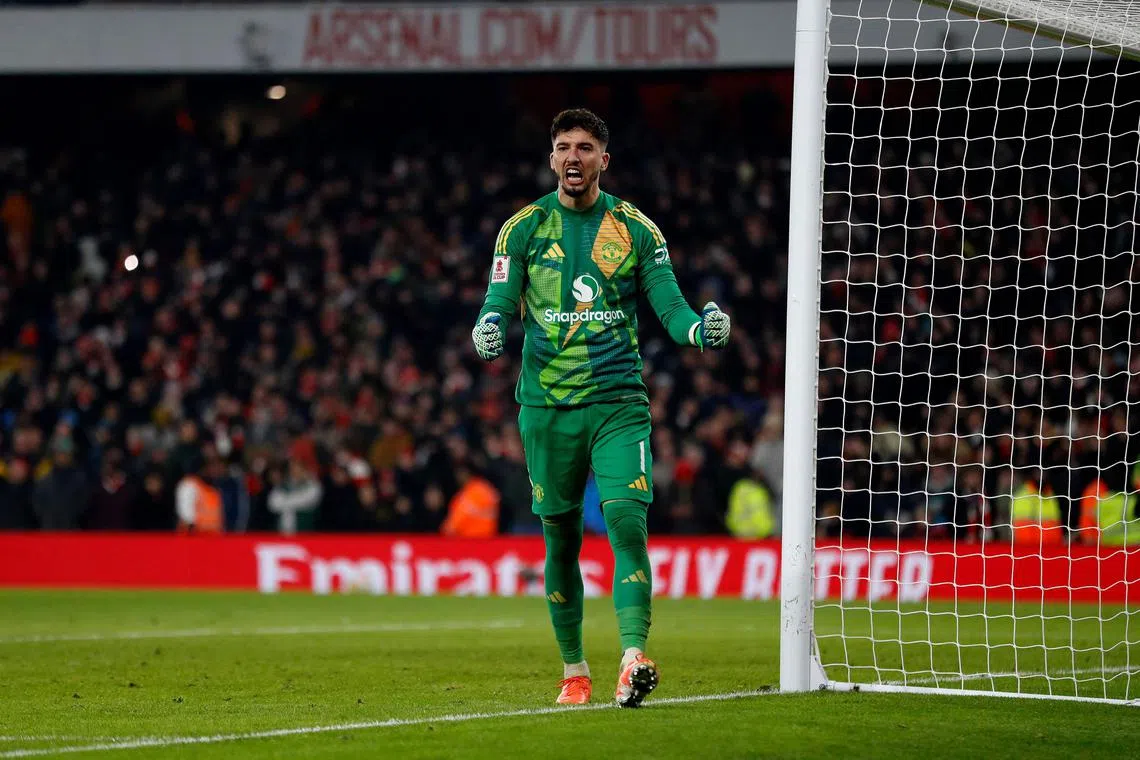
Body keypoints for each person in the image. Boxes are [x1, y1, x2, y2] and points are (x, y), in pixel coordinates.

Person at [471, 108, 731, 707]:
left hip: (618, 401)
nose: (573, 157)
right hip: (547, 407)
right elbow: (499, 298)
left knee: (624, 519)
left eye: (585, 147)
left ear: (603, 160)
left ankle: (633, 655)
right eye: (563, 146)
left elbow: (671, 309)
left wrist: (701, 332)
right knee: (560, 541)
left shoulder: (637, 230)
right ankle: (574, 671)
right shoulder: (523, 229)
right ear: (551, 158)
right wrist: (486, 328)